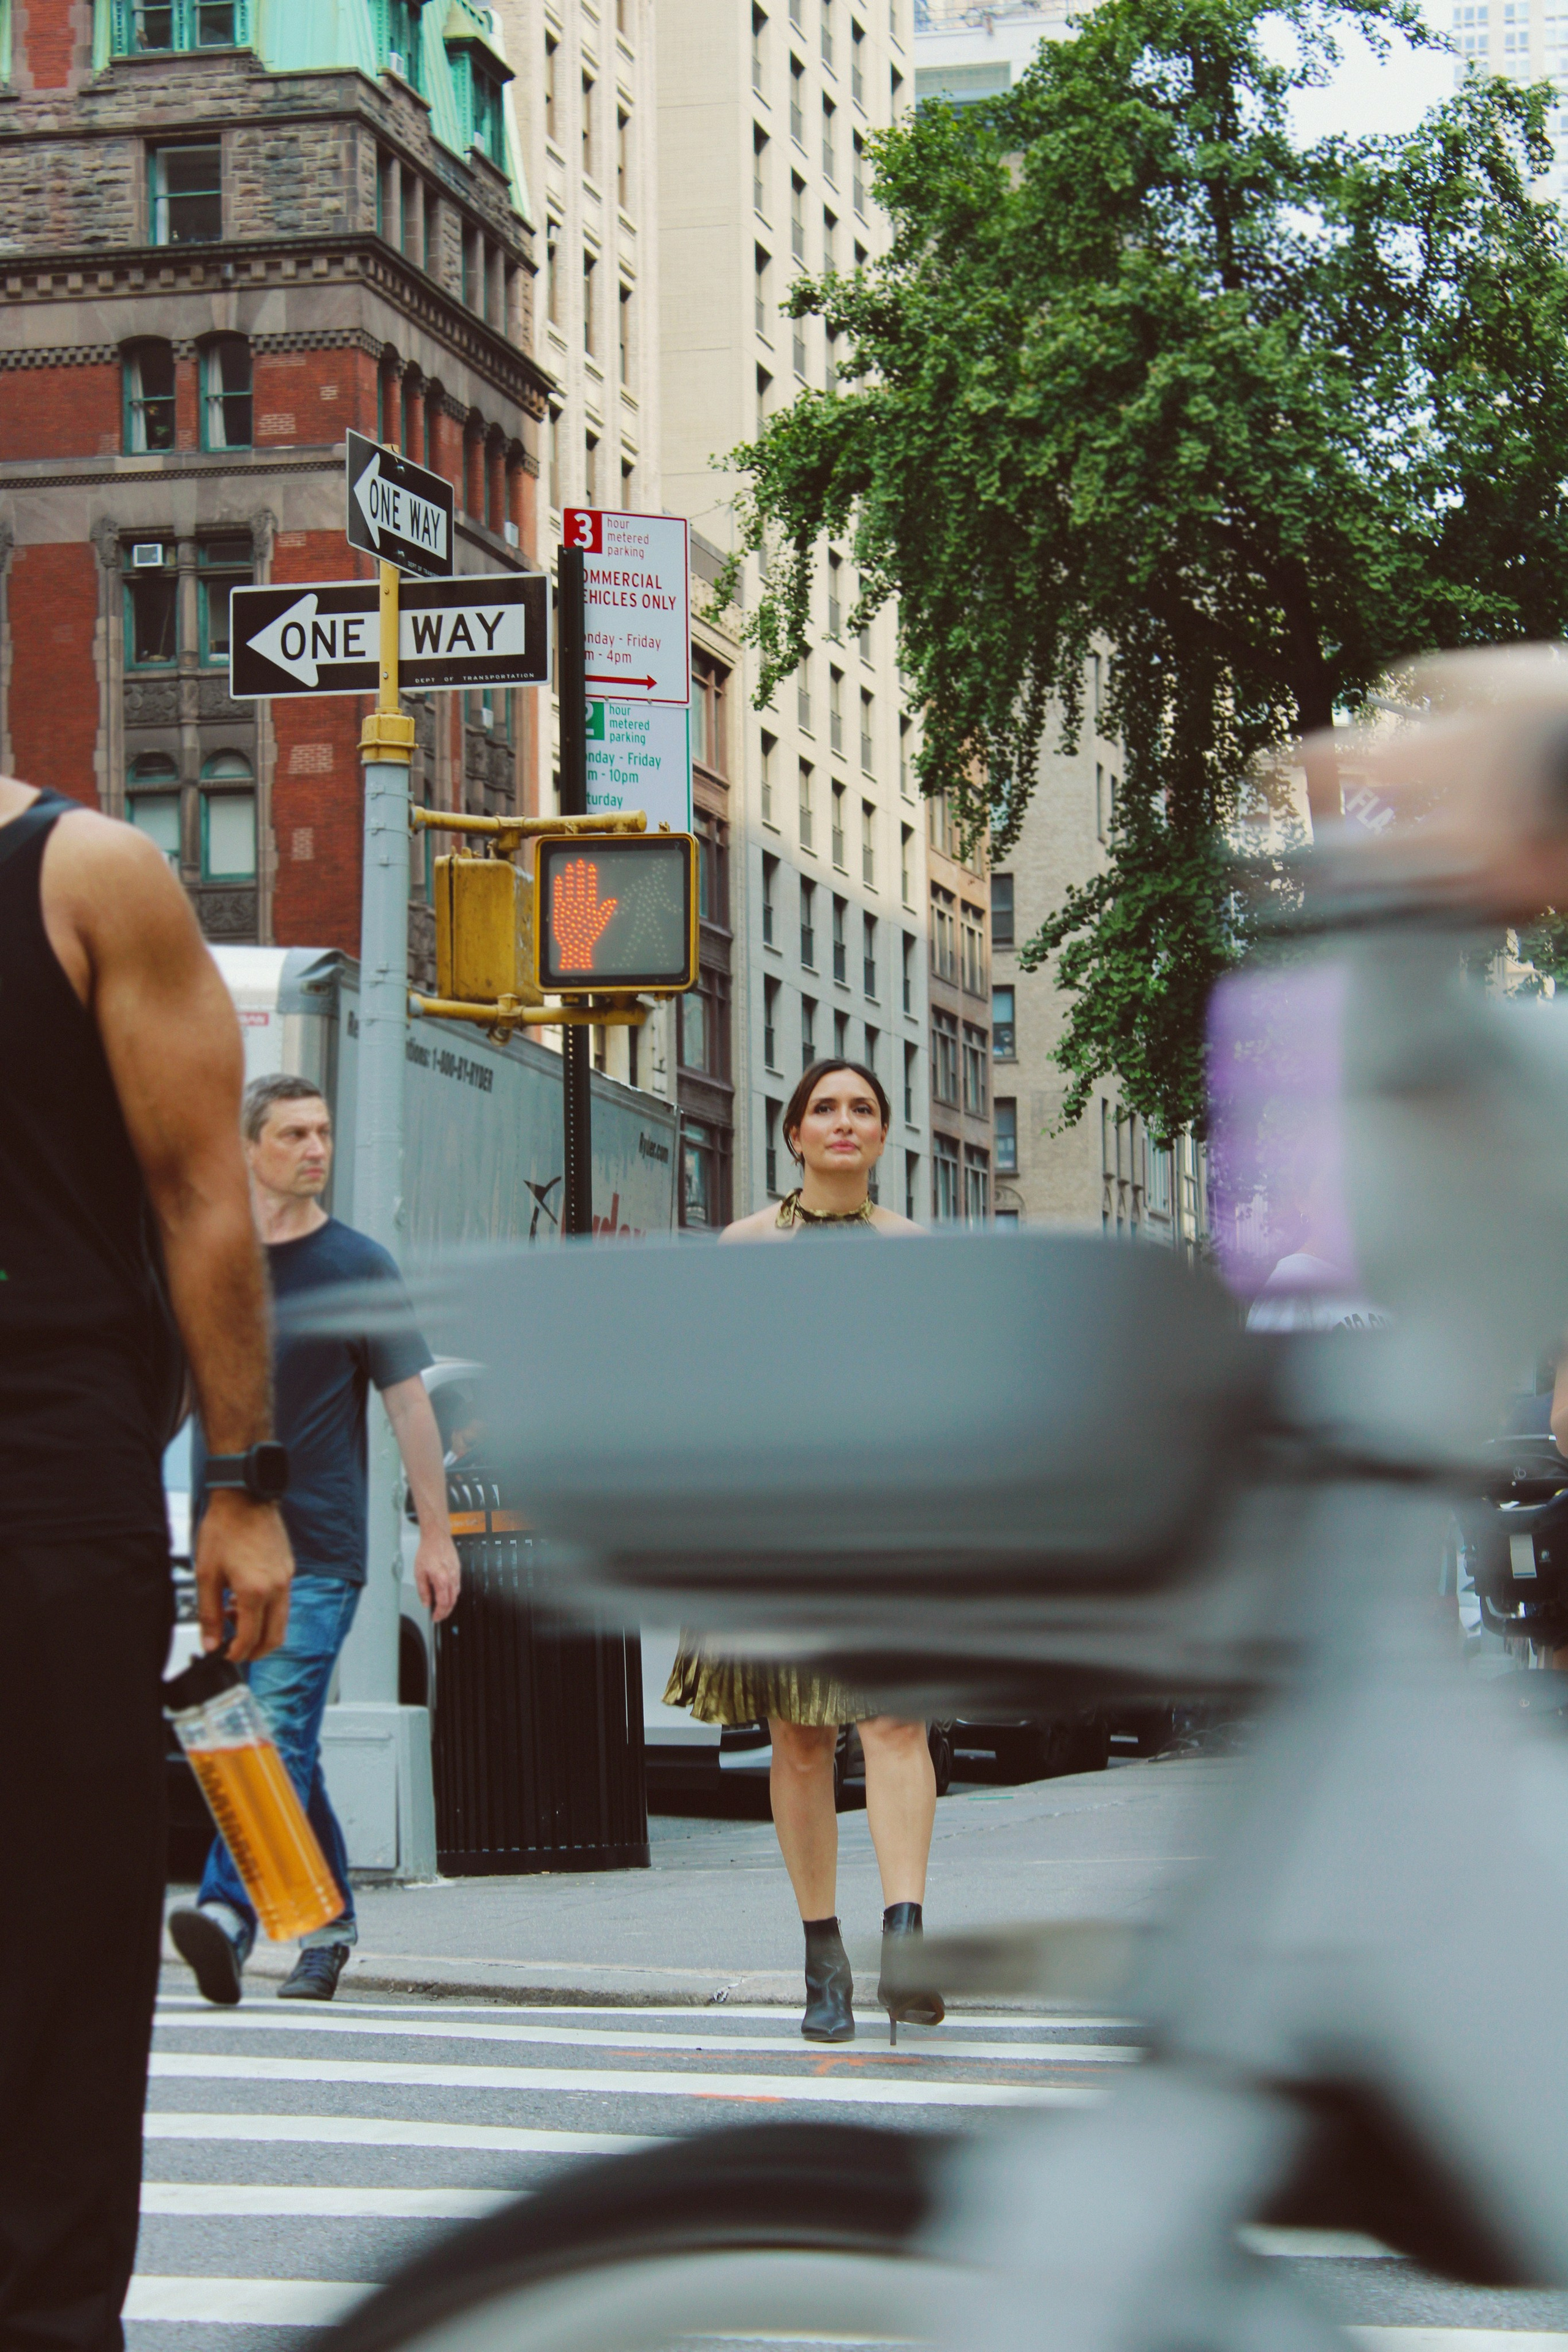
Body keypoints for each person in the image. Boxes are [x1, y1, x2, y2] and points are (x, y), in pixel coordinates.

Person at [0, 779, 292, 2352]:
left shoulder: (85, 875)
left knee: (56, 1952)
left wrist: (241, 1485)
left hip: (43, 1477)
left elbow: (200, 1196)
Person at [664, 1060, 941, 2045]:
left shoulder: (913, 1250)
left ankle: (905, 1942)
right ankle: (824, 1961)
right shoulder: (744, 1246)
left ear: (883, 1136)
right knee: (800, 1739)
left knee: (897, 1721)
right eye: (825, 1108)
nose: (843, 1121)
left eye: (862, 1109)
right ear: (793, 1134)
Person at [168, 1074, 461, 2007]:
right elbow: (173, 1395)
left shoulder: (358, 1265)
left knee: (270, 1730)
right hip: (222, 1548)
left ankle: (227, 1915)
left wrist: (437, 1537)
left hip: (319, 1551)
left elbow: (409, 1406)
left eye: (324, 1131)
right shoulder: (212, 1260)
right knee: (283, 1742)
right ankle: (328, 1927)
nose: (315, 1148)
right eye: (293, 1134)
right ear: (248, 1149)